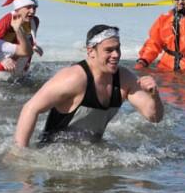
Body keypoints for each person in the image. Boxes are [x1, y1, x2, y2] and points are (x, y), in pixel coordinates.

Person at [14, 24, 163, 147]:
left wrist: (154, 95)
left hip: (93, 150)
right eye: (109, 50)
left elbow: (154, 117)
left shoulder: (124, 78)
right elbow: (30, 108)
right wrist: (20, 153)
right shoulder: (74, 78)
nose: (116, 55)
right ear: (91, 51)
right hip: (55, 153)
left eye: (117, 48)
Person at [0, 0, 44, 81]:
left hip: (19, 64)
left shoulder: (34, 21)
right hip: (0, 66)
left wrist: (34, 46)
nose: (32, 11)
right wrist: (2, 61)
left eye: (34, 7)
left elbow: (27, 44)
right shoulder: (7, 21)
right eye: (28, 7)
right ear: (18, 8)